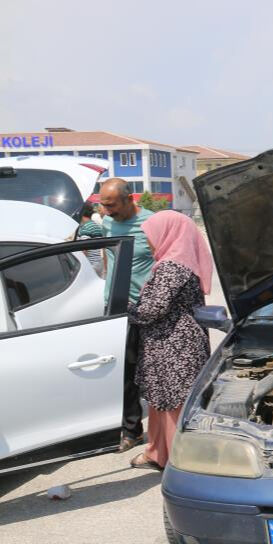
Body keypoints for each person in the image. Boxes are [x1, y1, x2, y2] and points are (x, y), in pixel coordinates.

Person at [126, 211, 213, 471]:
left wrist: (126, 309)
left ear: (167, 234)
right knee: (161, 402)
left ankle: (180, 464)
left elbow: (153, 309)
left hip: (174, 345)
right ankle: (158, 453)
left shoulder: (172, 266)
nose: (149, 242)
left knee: (174, 404)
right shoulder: (174, 261)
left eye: (151, 236)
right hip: (171, 343)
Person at [98, 179, 155, 452]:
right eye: (103, 205)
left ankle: (164, 431)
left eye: (112, 205)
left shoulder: (151, 224)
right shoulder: (106, 222)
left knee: (154, 371)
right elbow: (108, 258)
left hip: (145, 309)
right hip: (115, 307)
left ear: (129, 199)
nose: (107, 211)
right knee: (123, 371)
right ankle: (131, 430)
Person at [76, 203, 105, 277]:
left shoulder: (85, 228)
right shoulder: (95, 225)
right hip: (98, 263)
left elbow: (84, 251)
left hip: (90, 265)